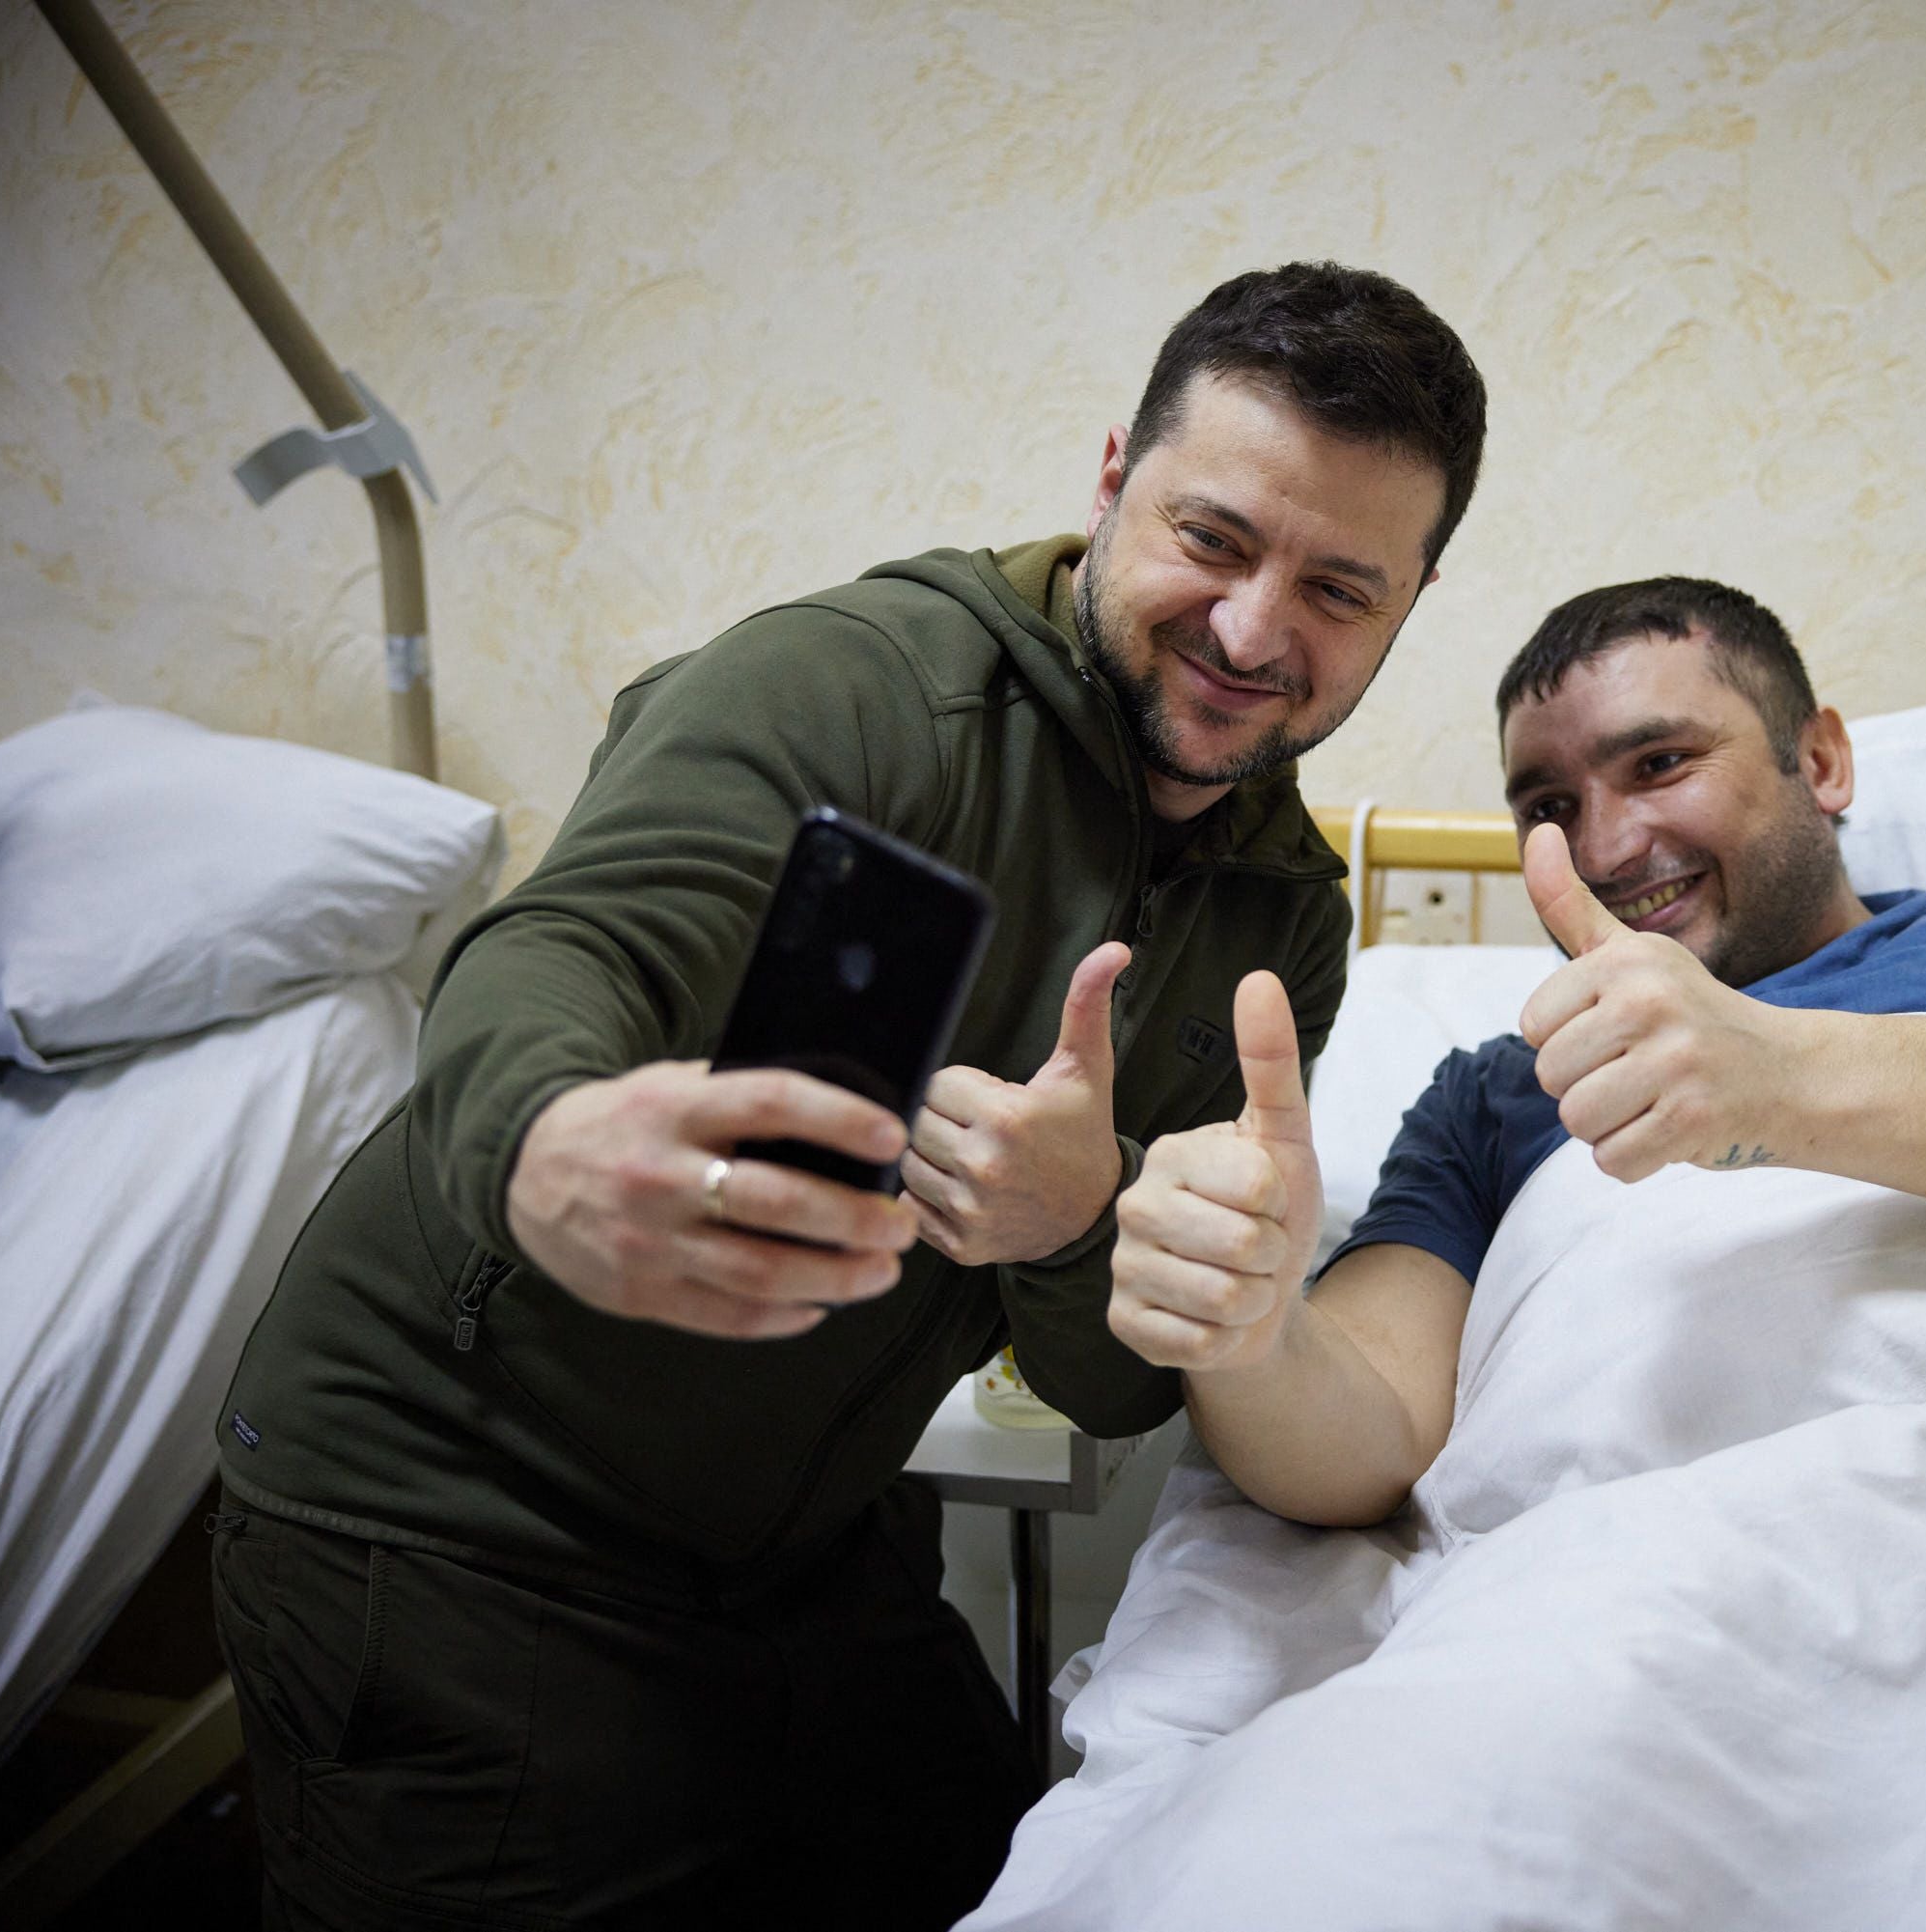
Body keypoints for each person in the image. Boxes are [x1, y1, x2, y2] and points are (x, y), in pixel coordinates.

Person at [208, 261, 1487, 1930]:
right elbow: (562, 952)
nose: (1256, 632)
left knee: (1018, 1875)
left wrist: (1071, 1222)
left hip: (806, 1548)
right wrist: (546, 1142)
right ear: (1112, 479)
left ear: (1407, 606)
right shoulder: (868, 689)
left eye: (1339, 587)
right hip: (458, 1518)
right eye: (1215, 540)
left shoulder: (1280, 916)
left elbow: (1109, 1387)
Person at [1107, 574, 1926, 1525]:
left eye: (1658, 762)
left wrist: (1777, 1079)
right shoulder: (1500, 1093)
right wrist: (1248, 1333)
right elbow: (1371, 1431)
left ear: (1819, 758)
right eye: (1550, 807)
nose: (1604, 848)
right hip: (1657, 1582)